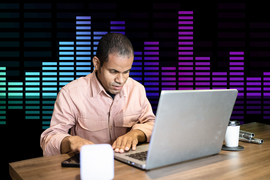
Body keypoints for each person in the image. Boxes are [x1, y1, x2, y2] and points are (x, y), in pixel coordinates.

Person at [40, 33, 155, 156]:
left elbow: (153, 124)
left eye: (126, 72)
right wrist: (70, 141)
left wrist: (135, 134)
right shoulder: (70, 93)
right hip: (88, 166)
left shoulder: (137, 90)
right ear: (97, 63)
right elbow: (48, 141)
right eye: (113, 71)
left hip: (128, 167)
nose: (121, 80)